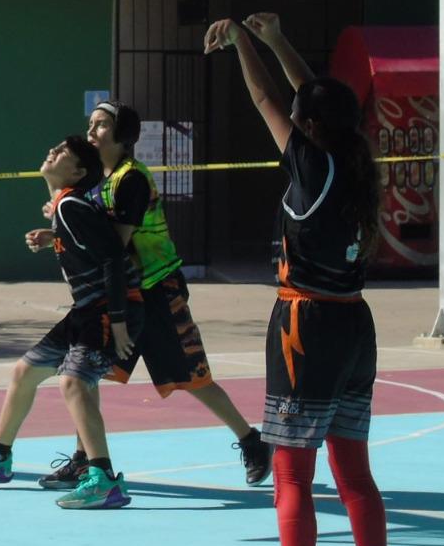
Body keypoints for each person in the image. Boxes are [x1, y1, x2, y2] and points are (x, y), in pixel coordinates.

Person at [205, 12, 399, 546]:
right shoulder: (354, 159)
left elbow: (268, 97)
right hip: (354, 325)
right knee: (355, 472)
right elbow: (314, 99)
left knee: (291, 471)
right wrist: (278, 39)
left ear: (308, 125)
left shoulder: (311, 166)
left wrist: (242, 42)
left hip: (304, 325)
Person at [40, 102, 271, 491]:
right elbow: (90, 236)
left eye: (101, 125)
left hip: (156, 289)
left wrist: (66, 229)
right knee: (87, 373)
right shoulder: (94, 180)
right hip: (119, 296)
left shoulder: (131, 179)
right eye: (91, 124)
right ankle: (84, 459)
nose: (92, 131)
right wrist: (58, 231)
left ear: (122, 136)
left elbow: (113, 244)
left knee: (192, 376)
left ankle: (252, 440)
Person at [0, 135, 141, 509]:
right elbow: (93, 241)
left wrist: (117, 321)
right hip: (86, 309)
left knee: (74, 383)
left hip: (109, 309)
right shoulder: (66, 207)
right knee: (25, 372)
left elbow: (114, 257)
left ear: (78, 172)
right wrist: (55, 237)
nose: (53, 151)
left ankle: (104, 480)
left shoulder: (70, 206)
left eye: (63, 152)